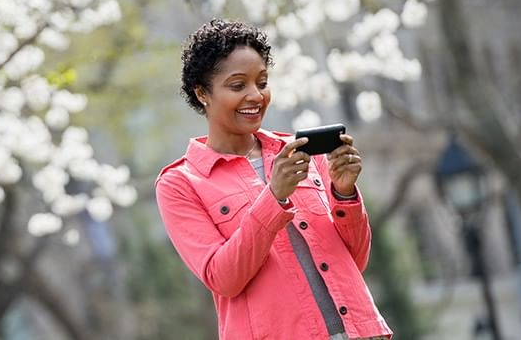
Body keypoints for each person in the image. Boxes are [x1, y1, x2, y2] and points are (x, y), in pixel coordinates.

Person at [155, 19, 392, 340]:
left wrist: (345, 192)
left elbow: (356, 260)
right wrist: (274, 198)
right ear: (202, 93)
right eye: (238, 86)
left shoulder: (302, 153)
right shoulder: (181, 183)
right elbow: (223, 278)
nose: (256, 95)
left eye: (262, 82)